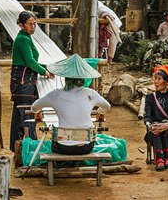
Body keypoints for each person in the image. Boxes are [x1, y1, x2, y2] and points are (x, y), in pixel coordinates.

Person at [32, 54, 110, 155]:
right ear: (83, 79)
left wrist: (38, 113)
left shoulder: (55, 94)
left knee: (54, 143)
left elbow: (34, 107)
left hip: (63, 147)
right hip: (86, 147)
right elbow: (107, 106)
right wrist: (100, 112)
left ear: (66, 78)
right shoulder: (91, 94)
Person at [10, 11, 54, 152]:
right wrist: (44, 72)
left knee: (21, 115)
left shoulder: (26, 38)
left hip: (24, 80)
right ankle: (31, 148)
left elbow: (30, 61)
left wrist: (46, 68)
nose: (33, 27)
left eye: (35, 24)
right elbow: (29, 61)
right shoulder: (23, 39)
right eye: (30, 24)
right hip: (24, 82)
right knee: (27, 116)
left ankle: (18, 147)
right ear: (21, 25)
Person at [144, 65, 168, 171]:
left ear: (166, 82)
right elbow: (147, 116)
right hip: (153, 132)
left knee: (165, 125)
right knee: (156, 127)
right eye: (155, 79)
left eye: (159, 79)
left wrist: (167, 125)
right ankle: (161, 158)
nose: (155, 82)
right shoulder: (150, 98)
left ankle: (166, 157)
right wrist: (150, 126)